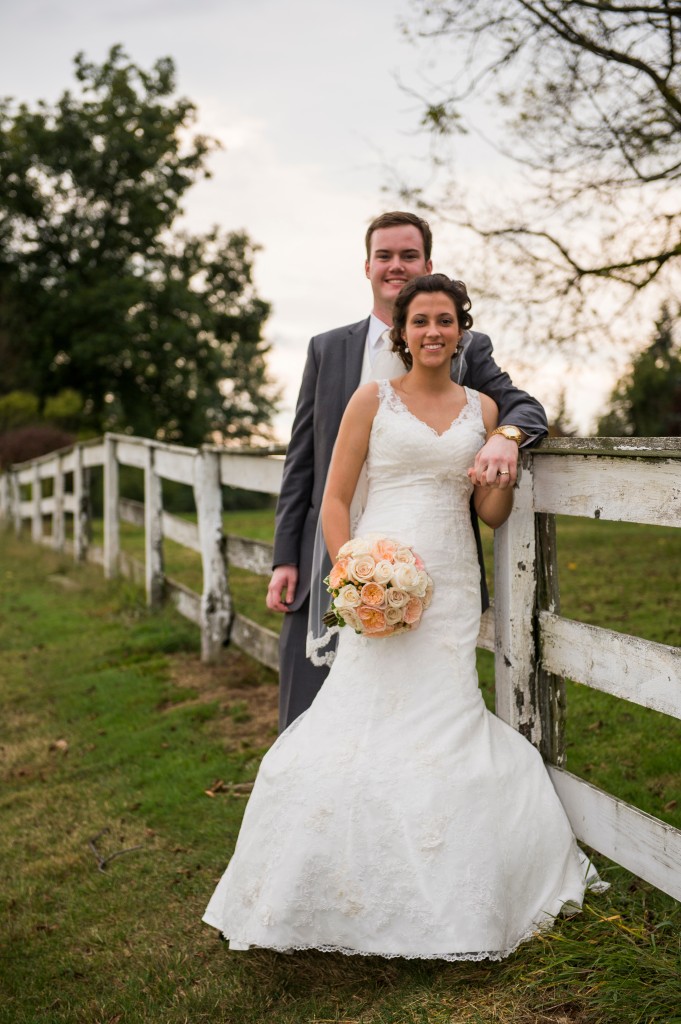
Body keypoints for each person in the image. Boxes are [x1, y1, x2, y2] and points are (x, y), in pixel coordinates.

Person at [203, 274, 604, 960]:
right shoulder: (371, 400)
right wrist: (351, 574)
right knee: (358, 721)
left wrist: (497, 478)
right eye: (419, 322)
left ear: (461, 330)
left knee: (444, 722)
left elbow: (488, 515)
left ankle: (455, 899)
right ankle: (324, 892)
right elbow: (332, 499)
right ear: (402, 332)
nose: (432, 333)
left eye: (444, 321)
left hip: (446, 585)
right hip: (374, 578)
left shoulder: (482, 407)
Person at [267, 211, 548, 731]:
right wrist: (292, 558)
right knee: (321, 701)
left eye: (409, 256)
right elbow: (301, 459)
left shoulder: (468, 350)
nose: (396, 266)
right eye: (385, 256)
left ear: (427, 264)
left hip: (442, 559)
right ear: (368, 265)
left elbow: (521, 407)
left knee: (432, 707)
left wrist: (507, 440)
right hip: (337, 556)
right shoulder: (328, 350)